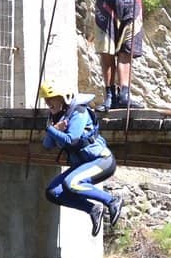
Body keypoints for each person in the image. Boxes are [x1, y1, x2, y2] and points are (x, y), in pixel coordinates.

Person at [39, 80, 122, 237]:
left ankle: (112, 200)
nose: (48, 103)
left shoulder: (79, 111)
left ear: (64, 97)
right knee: (53, 192)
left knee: (72, 183)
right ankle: (93, 209)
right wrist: (53, 130)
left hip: (102, 161)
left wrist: (50, 129)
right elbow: (47, 145)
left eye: (52, 98)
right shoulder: (55, 117)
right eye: (46, 99)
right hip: (84, 165)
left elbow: (72, 140)